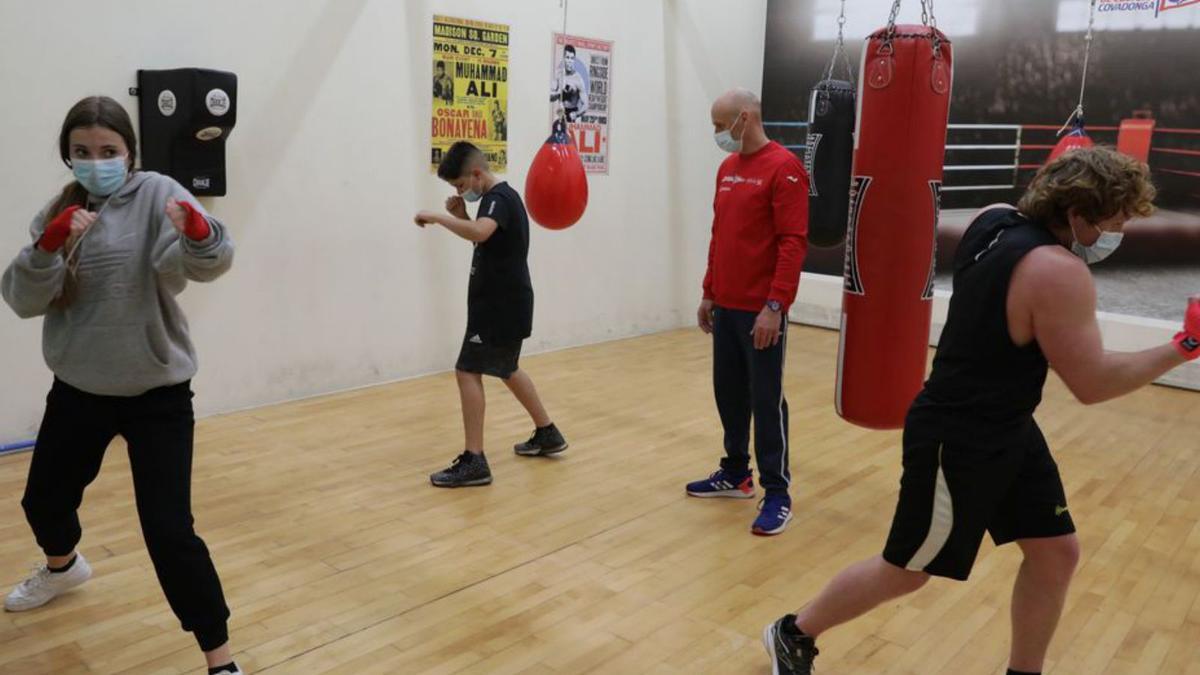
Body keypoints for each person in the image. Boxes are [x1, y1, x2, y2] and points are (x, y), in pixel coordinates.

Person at [762, 146, 1199, 675]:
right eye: (1115, 220)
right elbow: (1093, 383)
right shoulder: (1059, 273)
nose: (1120, 232)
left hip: (1008, 423)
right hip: (960, 435)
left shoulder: (993, 219)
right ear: (1079, 215)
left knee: (1055, 551)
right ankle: (794, 631)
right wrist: (1186, 345)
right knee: (908, 569)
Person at [1, 96, 241, 675]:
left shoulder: (159, 192)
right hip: (80, 388)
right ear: (68, 155)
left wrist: (201, 231)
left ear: (129, 152)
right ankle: (64, 569)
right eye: (82, 152)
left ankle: (220, 659)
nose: (96, 162)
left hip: (157, 392)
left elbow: (206, 263)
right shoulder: (58, 210)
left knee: (169, 531)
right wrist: (47, 246)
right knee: (43, 502)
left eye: (108, 151)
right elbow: (21, 300)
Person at [686, 88, 809, 536]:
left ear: (744, 118)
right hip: (727, 307)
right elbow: (720, 234)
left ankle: (777, 492)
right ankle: (737, 472)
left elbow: (793, 243)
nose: (718, 134)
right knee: (729, 392)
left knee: (766, 399)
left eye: (721, 126)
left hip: (762, 312)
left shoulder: (784, 168)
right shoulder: (727, 168)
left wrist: (775, 306)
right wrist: (708, 291)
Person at [413, 141, 568, 487]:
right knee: (507, 368)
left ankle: (474, 460)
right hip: (508, 303)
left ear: (477, 173)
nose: (458, 191)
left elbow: (482, 233)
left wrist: (439, 218)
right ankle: (548, 433)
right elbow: (489, 243)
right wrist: (462, 218)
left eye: (460, 185)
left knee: (467, 370)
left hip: (499, 306)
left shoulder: (497, 199)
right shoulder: (500, 199)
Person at [550, 44, 589, 122]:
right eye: (567, 57)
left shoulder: (578, 79)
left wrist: (576, 114)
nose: (569, 61)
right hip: (560, 112)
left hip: (572, 113)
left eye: (572, 58)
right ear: (563, 58)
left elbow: (586, 105)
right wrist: (559, 93)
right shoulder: (558, 74)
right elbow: (550, 97)